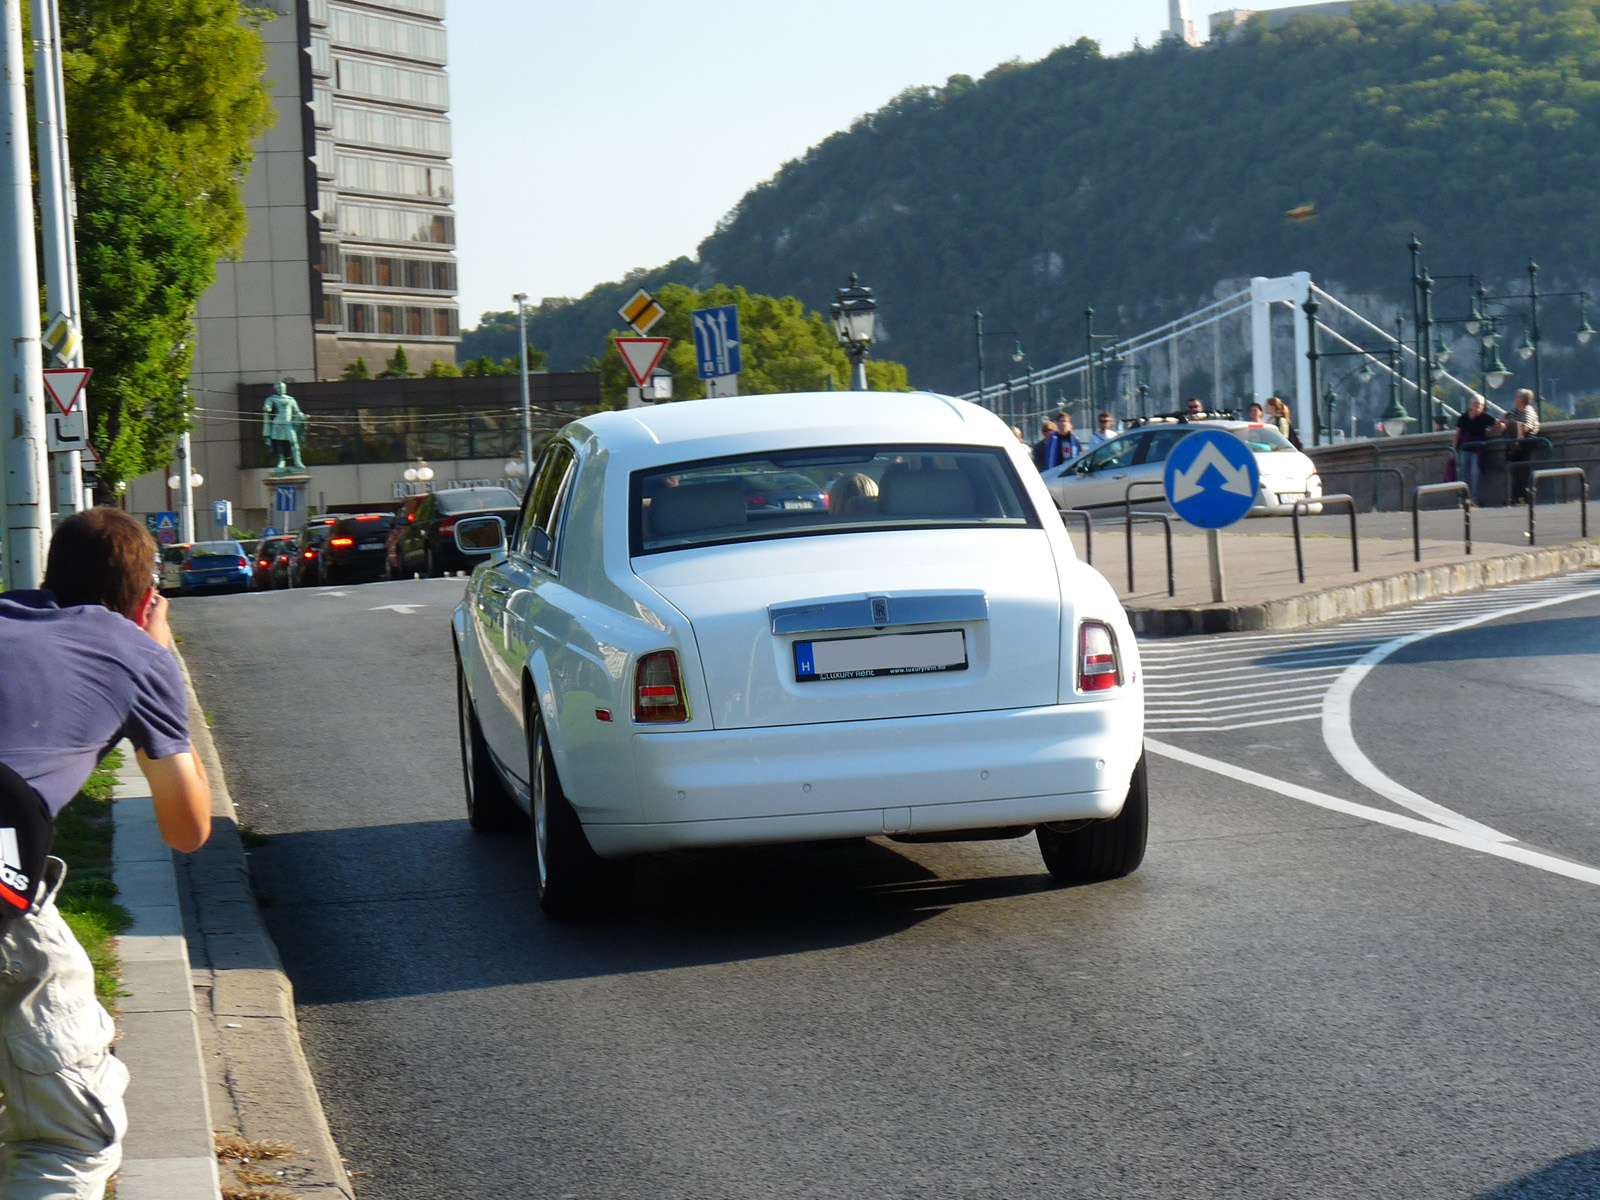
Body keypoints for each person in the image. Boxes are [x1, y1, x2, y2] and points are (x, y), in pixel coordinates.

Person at [0, 507, 212, 1199]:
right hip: (2, 889)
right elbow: (188, 829)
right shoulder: (138, 652)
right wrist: (161, 656)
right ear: (148, 597)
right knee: (69, 1141)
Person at [1454, 396, 1500, 504]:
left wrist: (1489, 431)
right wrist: (1454, 450)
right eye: (1475, 403)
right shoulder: (1463, 417)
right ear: (1471, 405)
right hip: (1465, 449)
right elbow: (1458, 434)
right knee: (1464, 474)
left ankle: (1475, 499)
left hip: (1477, 450)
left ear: (1483, 406)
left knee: (1476, 473)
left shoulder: (1484, 417)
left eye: (1479, 404)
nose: (1477, 406)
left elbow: (1499, 424)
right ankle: (1464, 499)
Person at [1504, 389, 1541, 503]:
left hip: (1527, 440)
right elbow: (1506, 419)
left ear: (1523, 400)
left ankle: (1525, 495)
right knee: (1515, 468)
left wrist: (1514, 426)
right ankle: (1516, 496)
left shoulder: (1528, 411)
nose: (1515, 399)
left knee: (1523, 468)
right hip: (1517, 441)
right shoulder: (1515, 411)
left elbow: (1527, 428)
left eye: (1517, 397)